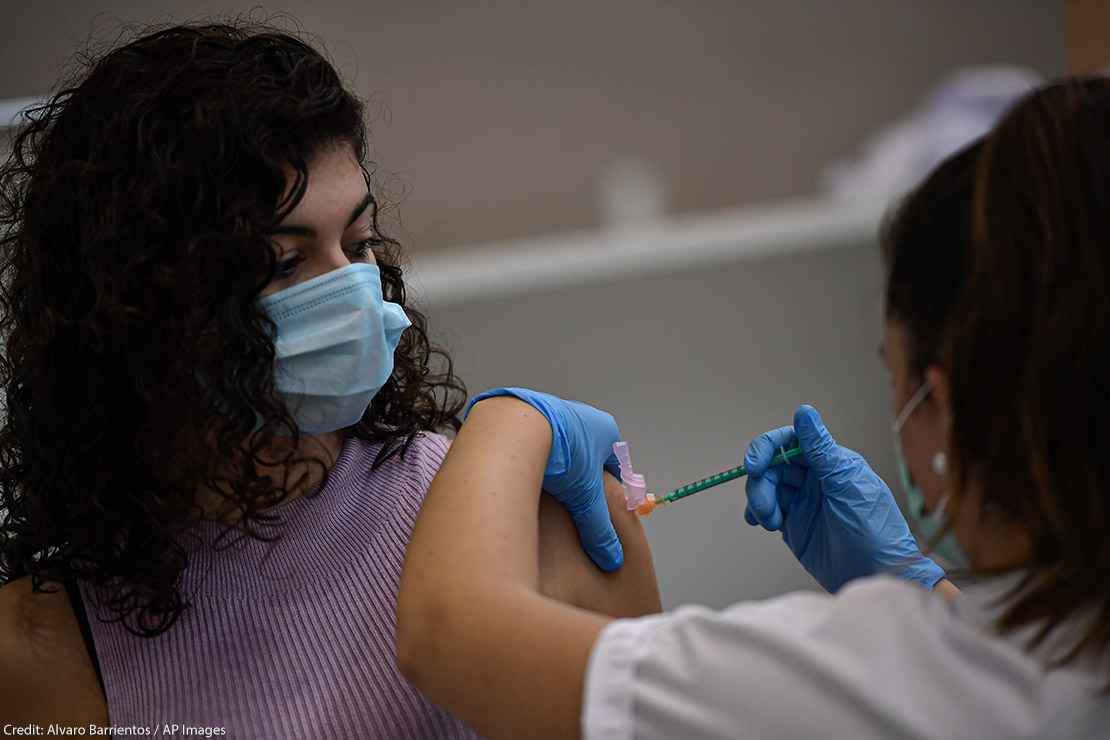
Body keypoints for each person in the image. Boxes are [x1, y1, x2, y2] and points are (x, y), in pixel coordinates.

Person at [0, 21, 661, 735]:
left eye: (358, 242)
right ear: (133, 308)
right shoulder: (39, 646)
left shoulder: (535, 517)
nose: (352, 293)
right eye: (283, 264)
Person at [397, 77, 1110, 739]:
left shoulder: (897, 674)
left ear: (943, 406)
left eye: (892, 376)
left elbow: (448, 638)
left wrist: (512, 415)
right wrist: (922, 586)